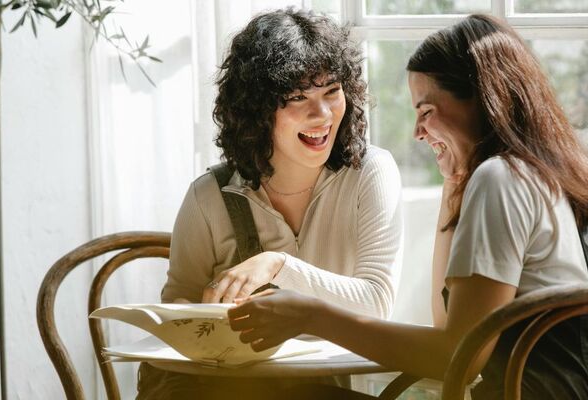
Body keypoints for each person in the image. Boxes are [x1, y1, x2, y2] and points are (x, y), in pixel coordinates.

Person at [228, 14, 588, 400]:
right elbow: (446, 324)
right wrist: (454, 182)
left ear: (483, 100)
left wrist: (311, 315)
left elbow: (455, 358)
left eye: (426, 111)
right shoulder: (532, 173)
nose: (417, 132)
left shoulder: (500, 179)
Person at [137, 8, 403, 399]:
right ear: (257, 111)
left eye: (332, 91)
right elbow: (179, 302)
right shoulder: (209, 195)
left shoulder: (370, 173)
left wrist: (278, 265)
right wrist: (205, 311)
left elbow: (377, 303)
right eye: (297, 97)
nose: (323, 114)